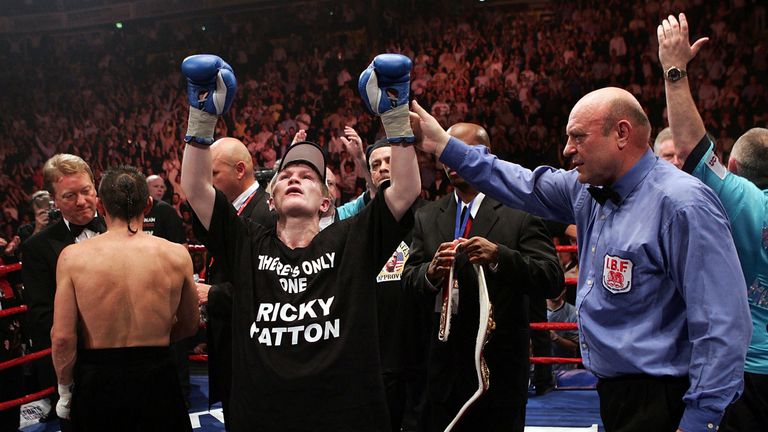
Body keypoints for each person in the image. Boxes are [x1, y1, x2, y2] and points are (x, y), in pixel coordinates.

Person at [410, 87, 751, 431]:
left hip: (669, 400)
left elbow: (722, 323)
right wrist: (444, 146)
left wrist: (700, 419)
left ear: (621, 133)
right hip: (614, 396)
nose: (567, 149)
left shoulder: (682, 204)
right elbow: (517, 181)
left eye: (578, 137)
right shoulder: (586, 192)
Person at [180, 53, 420, 431]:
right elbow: (196, 188)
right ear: (271, 199)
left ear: (326, 201)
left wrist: (395, 114)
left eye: (308, 176)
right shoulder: (248, 241)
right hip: (262, 417)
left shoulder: (351, 239)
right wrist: (201, 118)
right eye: (287, 174)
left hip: (345, 418)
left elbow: (405, 190)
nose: (295, 178)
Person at [403, 122, 562, 432]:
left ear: (484, 156)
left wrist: (500, 257)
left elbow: (551, 278)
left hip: (499, 373)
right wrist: (430, 272)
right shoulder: (427, 216)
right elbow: (408, 281)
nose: (452, 161)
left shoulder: (520, 212)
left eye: (461, 151)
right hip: (441, 374)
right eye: (445, 152)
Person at [658, 12, 768, 431]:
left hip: (744, 370)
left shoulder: (743, 200)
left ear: (735, 165)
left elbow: (691, 148)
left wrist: (675, 70)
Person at [51, 166, 199, 430]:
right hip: (158, 376)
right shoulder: (177, 255)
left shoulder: (73, 258)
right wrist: (155, 338)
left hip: (97, 381)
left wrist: (64, 390)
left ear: (100, 206)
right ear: (148, 204)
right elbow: (189, 324)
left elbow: (62, 338)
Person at [20, 153, 106, 427]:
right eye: (69, 196)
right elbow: (43, 316)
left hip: (131, 360)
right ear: (54, 200)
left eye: (86, 191)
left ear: (96, 187)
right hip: (79, 367)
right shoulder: (38, 248)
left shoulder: (124, 229)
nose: (81, 201)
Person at [194, 136, 275, 428]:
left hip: (252, 351)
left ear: (240, 169)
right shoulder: (233, 211)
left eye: (213, 173)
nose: (208, 182)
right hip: (233, 343)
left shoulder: (265, 215)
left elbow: (267, 289)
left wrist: (212, 294)